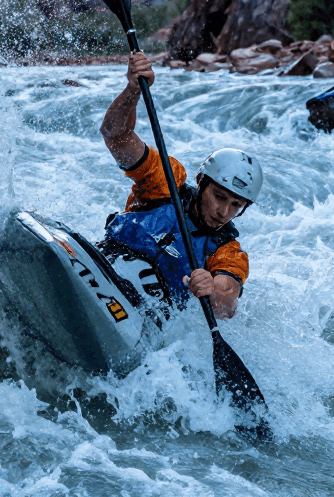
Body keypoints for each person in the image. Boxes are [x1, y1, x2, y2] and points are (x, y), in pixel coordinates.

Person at [99, 50, 262, 319]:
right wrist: (132, 90)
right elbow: (115, 135)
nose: (224, 212)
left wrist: (212, 291)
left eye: (236, 205)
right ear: (201, 183)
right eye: (220, 197)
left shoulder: (227, 250)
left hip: (146, 315)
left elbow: (227, 305)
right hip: (106, 268)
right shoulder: (164, 182)